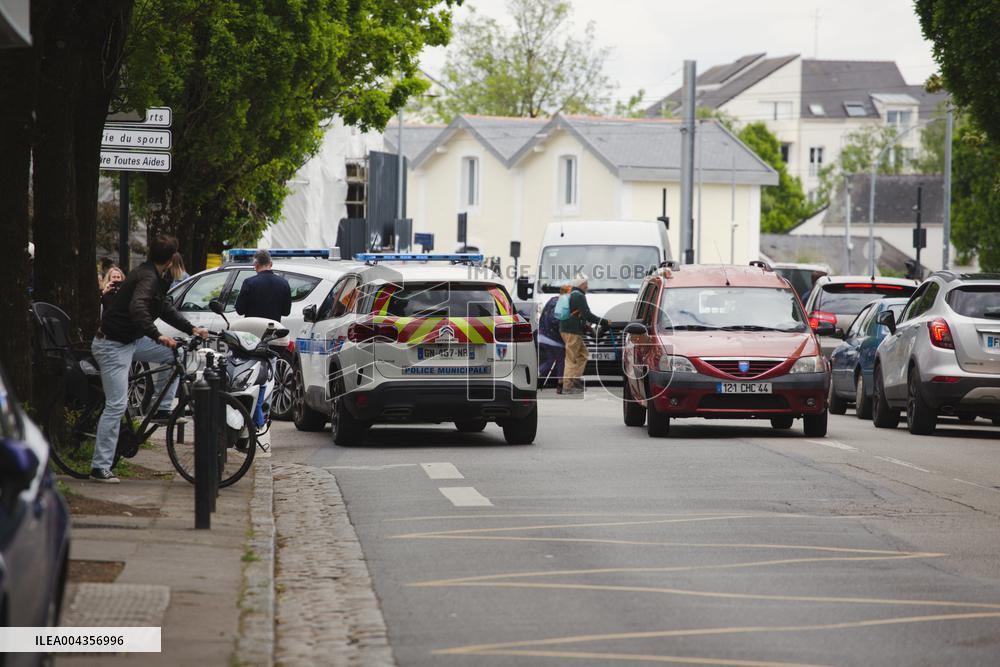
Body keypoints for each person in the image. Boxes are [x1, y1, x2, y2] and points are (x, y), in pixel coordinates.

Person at [90, 235, 209, 483]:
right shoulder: (147, 277)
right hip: (112, 345)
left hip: (129, 341)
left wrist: (191, 329)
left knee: (174, 353)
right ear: (170, 259)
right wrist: (158, 335)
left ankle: (162, 409)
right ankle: (99, 467)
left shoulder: (154, 276)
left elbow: (163, 307)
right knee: (116, 405)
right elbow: (138, 308)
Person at [558, 275, 609, 395]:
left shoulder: (568, 292)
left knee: (583, 354)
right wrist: (605, 322)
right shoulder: (578, 296)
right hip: (572, 331)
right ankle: (567, 387)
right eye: (586, 284)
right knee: (571, 359)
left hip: (566, 329)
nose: (587, 286)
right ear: (581, 284)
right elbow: (588, 315)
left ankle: (576, 380)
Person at [234, 249, 292, 322]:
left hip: (253, 329)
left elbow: (240, 310)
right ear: (271, 264)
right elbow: (286, 312)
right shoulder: (284, 283)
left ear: (256, 265)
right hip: (273, 329)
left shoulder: (249, 282)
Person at [537, 287, 568, 392]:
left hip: (543, 336)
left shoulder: (552, 300)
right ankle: (560, 384)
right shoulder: (562, 304)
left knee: (549, 360)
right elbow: (555, 320)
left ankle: (536, 377)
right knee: (560, 360)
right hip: (553, 339)